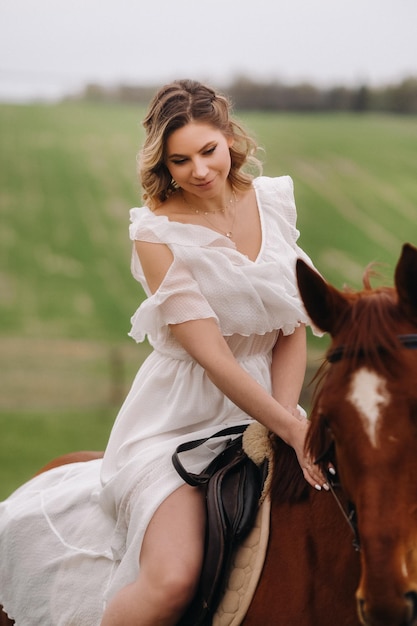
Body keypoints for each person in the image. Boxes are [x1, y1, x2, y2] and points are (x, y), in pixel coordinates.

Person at [0, 79, 326, 626]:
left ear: (229, 139)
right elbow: (214, 357)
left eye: (207, 151)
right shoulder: (156, 234)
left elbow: (293, 324)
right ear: (163, 164)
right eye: (180, 161)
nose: (198, 170)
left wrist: (286, 416)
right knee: (172, 579)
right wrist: (287, 427)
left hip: (270, 401)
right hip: (180, 421)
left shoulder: (271, 202)